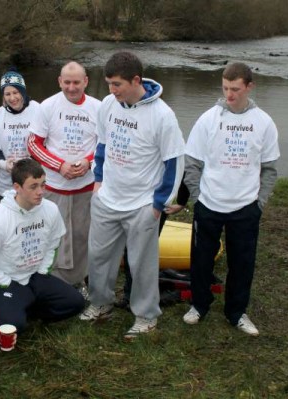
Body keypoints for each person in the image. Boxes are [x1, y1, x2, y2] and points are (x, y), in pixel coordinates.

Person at [80, 51, 185, 341]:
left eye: (117, 85)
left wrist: (159, 204)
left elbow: (174, 161)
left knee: (142, 264)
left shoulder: (162, 115)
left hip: (141, 204)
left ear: (136, 80)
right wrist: (98, 181)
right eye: (109, 84)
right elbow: (102, 142)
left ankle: (146, 316)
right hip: (107, 198)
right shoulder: (108, 106)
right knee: (98, 256)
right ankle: (101, 305)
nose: (111, 91)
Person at [182, 62, 280, 336]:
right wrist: (197, 199)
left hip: (245, 207)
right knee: (201, 259)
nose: (229, 95)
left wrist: (259, 203)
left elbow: (270, 169)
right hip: (209, 204)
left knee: (242, 262)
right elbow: (192, 163)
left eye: (235, 89)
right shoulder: (208, 119)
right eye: (225, 88)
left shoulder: (263, 122)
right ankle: (199, 306)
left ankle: (236, 312)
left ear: (250, 87)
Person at [0, 158, 85, 333]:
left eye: (43, 184)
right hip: (3, 281)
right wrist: (8, 283)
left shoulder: (50, 209)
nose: (40, 191)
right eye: (33, 186)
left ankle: (28, 307)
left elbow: (53, 243)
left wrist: (42, 273)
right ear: (17, 188)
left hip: (34, 275)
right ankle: (17, 307)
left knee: (76, 303)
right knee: (12, 326)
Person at [27, 61, 100, 291]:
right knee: (54, 236)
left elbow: (104, 144)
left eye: (76, 82)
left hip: (85, 186)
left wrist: (88, 162)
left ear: (85, 81)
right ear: (59, 81)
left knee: (82, 234)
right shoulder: (46, 106)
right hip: (55, 185)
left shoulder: (99, 108)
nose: (71, 87)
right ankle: (56, 283)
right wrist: (59, 166)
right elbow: (33, 143)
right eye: (66, 82)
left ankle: (83, 279)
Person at [115, 179, 189, 310]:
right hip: (130, 198)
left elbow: (183, 167)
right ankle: (130, 294)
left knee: (143, 250)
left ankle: (142, 299)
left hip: (154, 202)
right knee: (130, 247)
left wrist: (182, 201)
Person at [0, 68, 40, 198]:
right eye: (7, 94)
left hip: (34, 181)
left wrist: (28, 163)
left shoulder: (37, 109)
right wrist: (4, 164)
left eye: (16, 92)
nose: (12, 98)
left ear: (23, 91)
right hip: (6, 186)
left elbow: (45, 143)